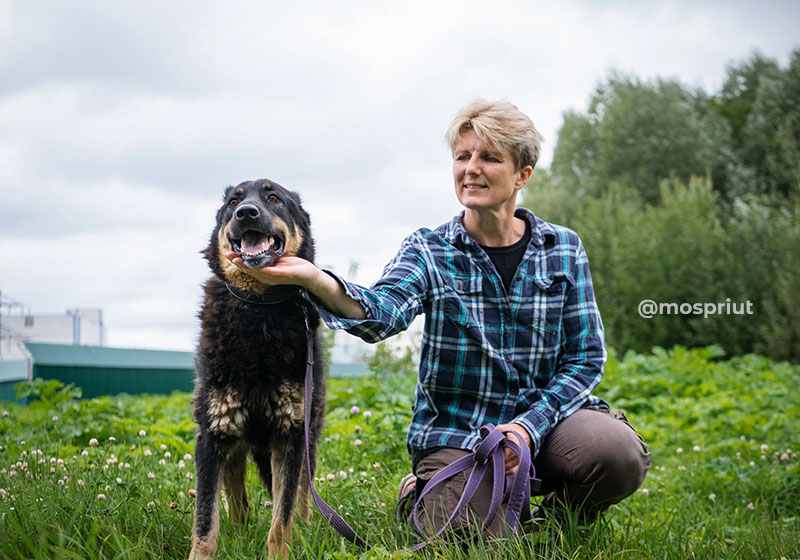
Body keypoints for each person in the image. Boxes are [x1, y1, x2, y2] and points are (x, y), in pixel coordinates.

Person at [227, 98, 651, 536]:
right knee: (465, 537)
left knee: (616, 454)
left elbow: (585, 358)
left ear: (522, 174)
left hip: (547, 426)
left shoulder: (563, 248)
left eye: (489, 157)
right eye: (462, 156)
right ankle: (426, 491)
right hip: (459, 435)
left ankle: (554, 522)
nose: (471, 168)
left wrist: (527, 429)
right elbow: (380, 313)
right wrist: (316, 280)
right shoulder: (431, 249)